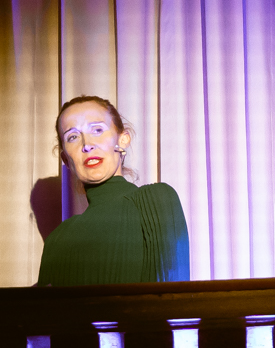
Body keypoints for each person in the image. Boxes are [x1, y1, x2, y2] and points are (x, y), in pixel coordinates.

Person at [36, 96, 190, 286]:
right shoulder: (57, 240)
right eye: (73, 137)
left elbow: (171, 297)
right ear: (66, 159)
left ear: (123, 139)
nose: (87, 145)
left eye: (97, 130)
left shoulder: (157, 199)